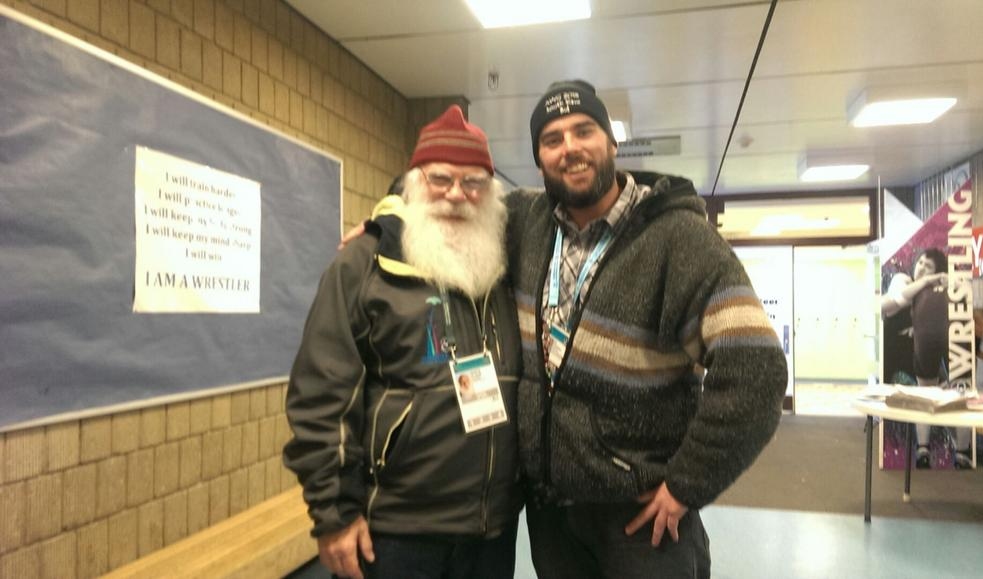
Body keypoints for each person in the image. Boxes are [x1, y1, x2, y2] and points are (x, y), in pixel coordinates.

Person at [507, 80, 788, 579]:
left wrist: (687, 485)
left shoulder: (676, 238)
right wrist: (385, 227)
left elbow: (756, 369)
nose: (569, 147)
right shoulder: (526, 224)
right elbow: (447, 190)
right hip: (550, 512)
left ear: (612, 144)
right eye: (552, 139)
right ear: (539, 158)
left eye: (583, 130)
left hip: (639, 519)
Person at [284, 105, 523, 579]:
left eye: (473, 182)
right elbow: (321, 395)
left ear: (491, 195)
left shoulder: (504, 263)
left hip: (491, 529)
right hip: (394, 531)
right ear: (413, 184)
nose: (457, 194)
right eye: (440, 179)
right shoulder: (363, 263)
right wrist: (334, 514)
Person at [880, 248, 953, 468]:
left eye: (928, 266)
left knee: (938, 388)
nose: (921, 267)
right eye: (920, 262)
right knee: (926, 390)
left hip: (918, 357)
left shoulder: (935, 294)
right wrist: (926, 280)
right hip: (896, 357)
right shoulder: (904, 280)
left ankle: (926, 447)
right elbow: (892, 303)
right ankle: (923, 445)